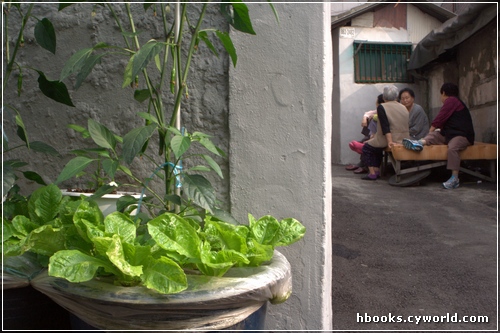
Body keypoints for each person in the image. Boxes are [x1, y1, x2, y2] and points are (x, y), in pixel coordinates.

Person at [402, 83, 475, 189]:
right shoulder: (454, 102)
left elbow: (440, 118)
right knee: (435, 135)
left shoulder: (451, 101)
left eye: (441, 95)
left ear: (444, 93)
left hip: (462, 135)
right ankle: (419, 143)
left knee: (453, 147)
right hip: (450, 134)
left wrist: (431, 130)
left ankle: (454, 178)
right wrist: (432, 133)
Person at [361, 85, 409, 180]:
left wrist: (390, 141)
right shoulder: (403, 107)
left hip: (389, 138)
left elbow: (385, 126)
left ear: (384, 97)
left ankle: (372, 173)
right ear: (396, 97)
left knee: (367, 147)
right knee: (376, 148)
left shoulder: (382, 107)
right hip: (404, 138)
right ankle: (377, 170)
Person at [345, 94, 384, 174]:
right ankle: (364, 143)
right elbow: (368, 113)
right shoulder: (379, 111)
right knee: (370, 120)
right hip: (375, 135)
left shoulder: (385, 111)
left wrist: (373, 117)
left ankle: (364, 162)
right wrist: (365, 118)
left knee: (373, 121)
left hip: (381, 136)